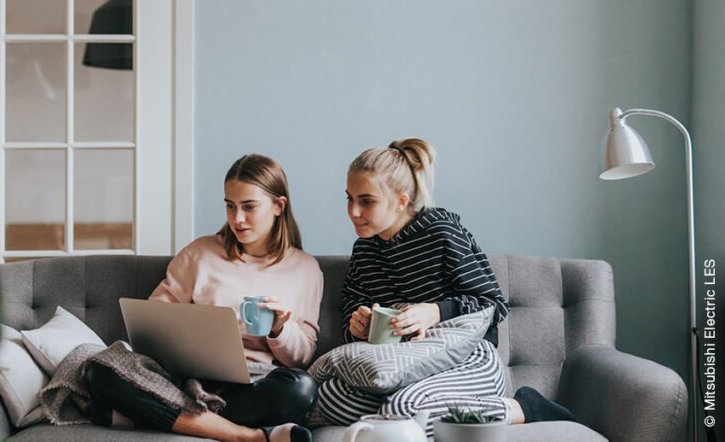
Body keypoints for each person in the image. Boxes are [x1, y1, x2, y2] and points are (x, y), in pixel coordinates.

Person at [315, 138, 576, 437]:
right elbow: (354, 300)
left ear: (401, 201)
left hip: (468, 358)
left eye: (366, 201)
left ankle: (523, 407)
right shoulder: (364, 249)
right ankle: (410, 412)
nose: (353, 212)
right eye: (349, 198)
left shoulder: (441, 231)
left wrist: (435, 312)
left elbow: (492, 303)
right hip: (402, 366)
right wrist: (357, 324)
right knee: (328, 397)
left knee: (404, 409)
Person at [85, 154, 323, 442]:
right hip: (184, 379)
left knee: (301, 388)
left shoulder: (305, 269)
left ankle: (149, 414)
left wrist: (280, 329)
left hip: (253, 384)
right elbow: (153, 319)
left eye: (249, 207)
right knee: (99, 369)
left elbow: (303, 356)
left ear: (278, 205)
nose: (237, 219)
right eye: (230, 206)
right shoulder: (200, 252)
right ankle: (241, 435)